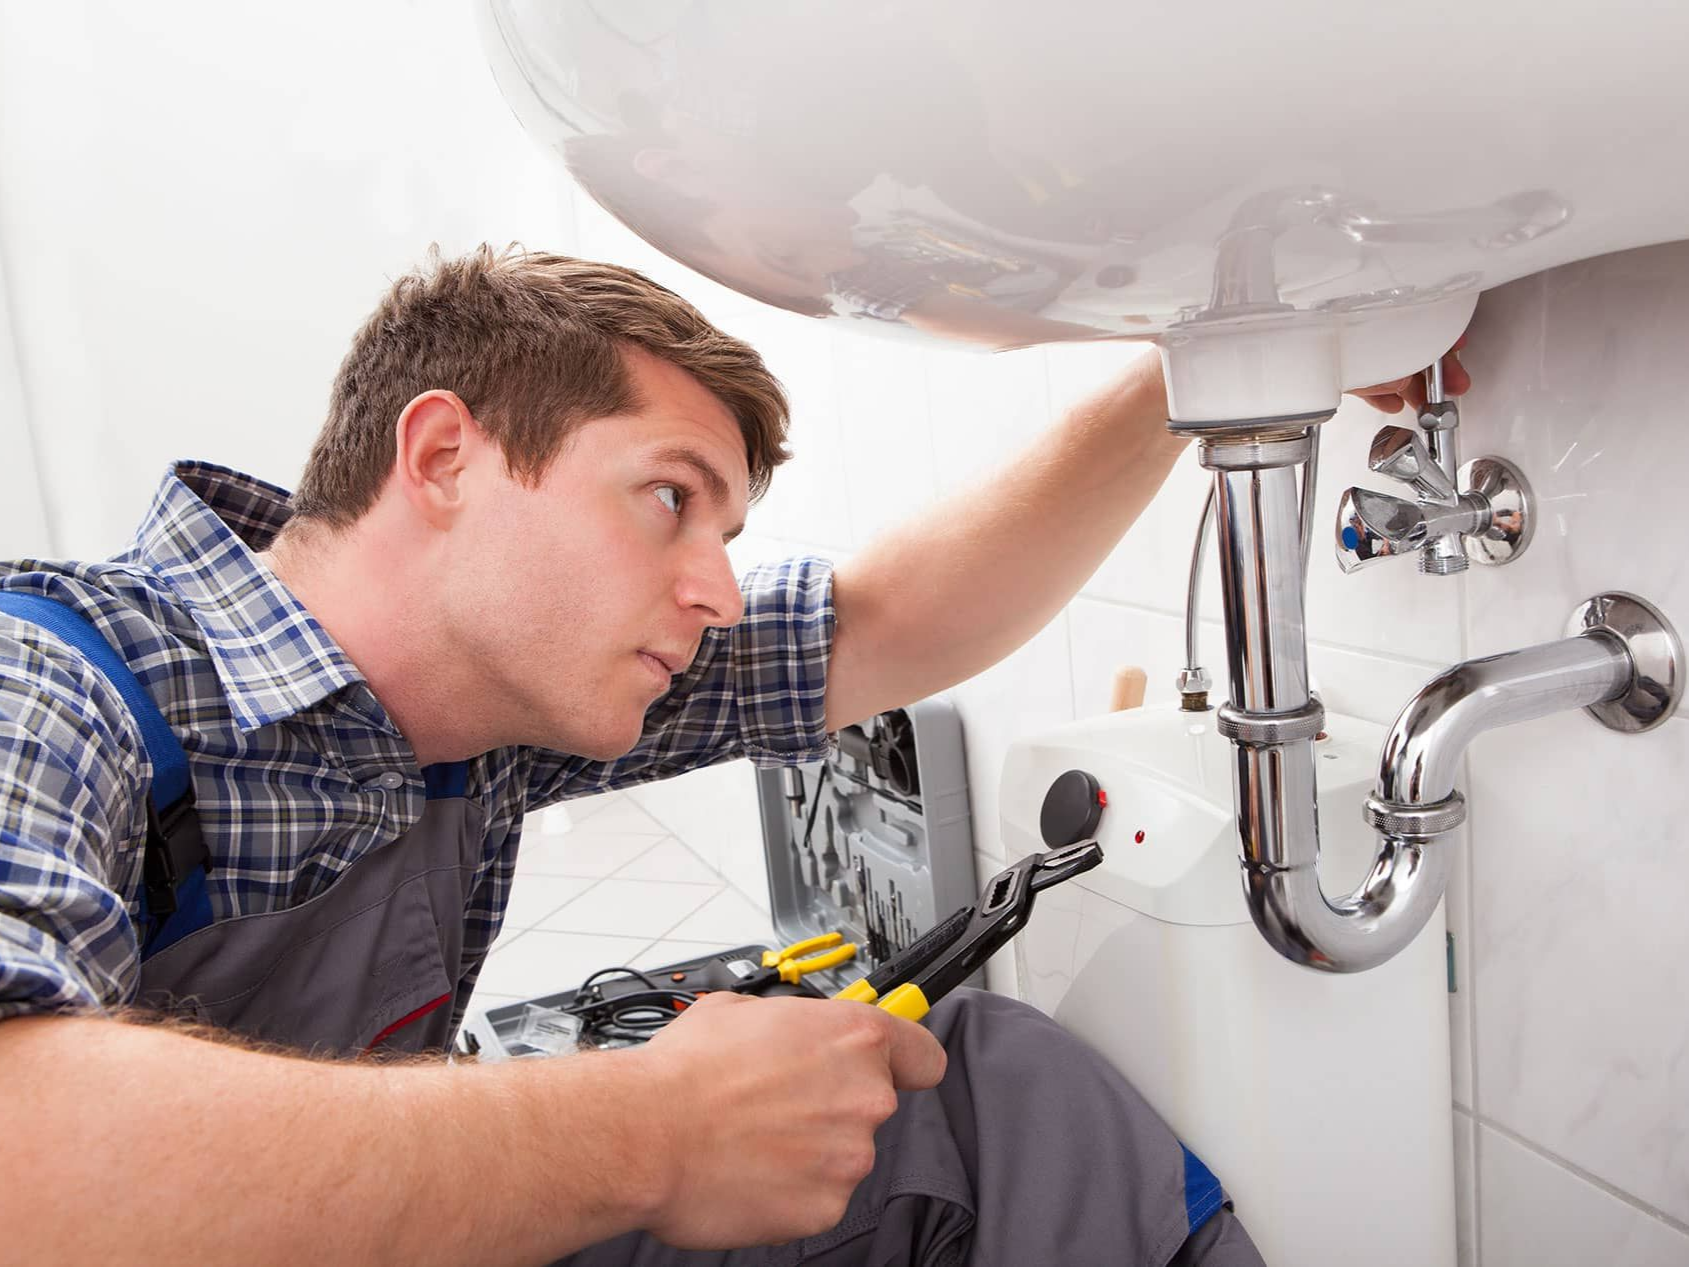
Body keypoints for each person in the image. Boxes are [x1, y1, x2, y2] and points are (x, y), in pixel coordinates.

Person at [0, 246, 1467, 1265]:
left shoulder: (487, 730)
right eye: (668, 500)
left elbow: (887, 622)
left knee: (976, 1098)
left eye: (729, 534)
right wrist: (647, 1130)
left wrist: (1213, 366)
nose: (711, 586)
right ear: (443, 457)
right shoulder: (48, 682)